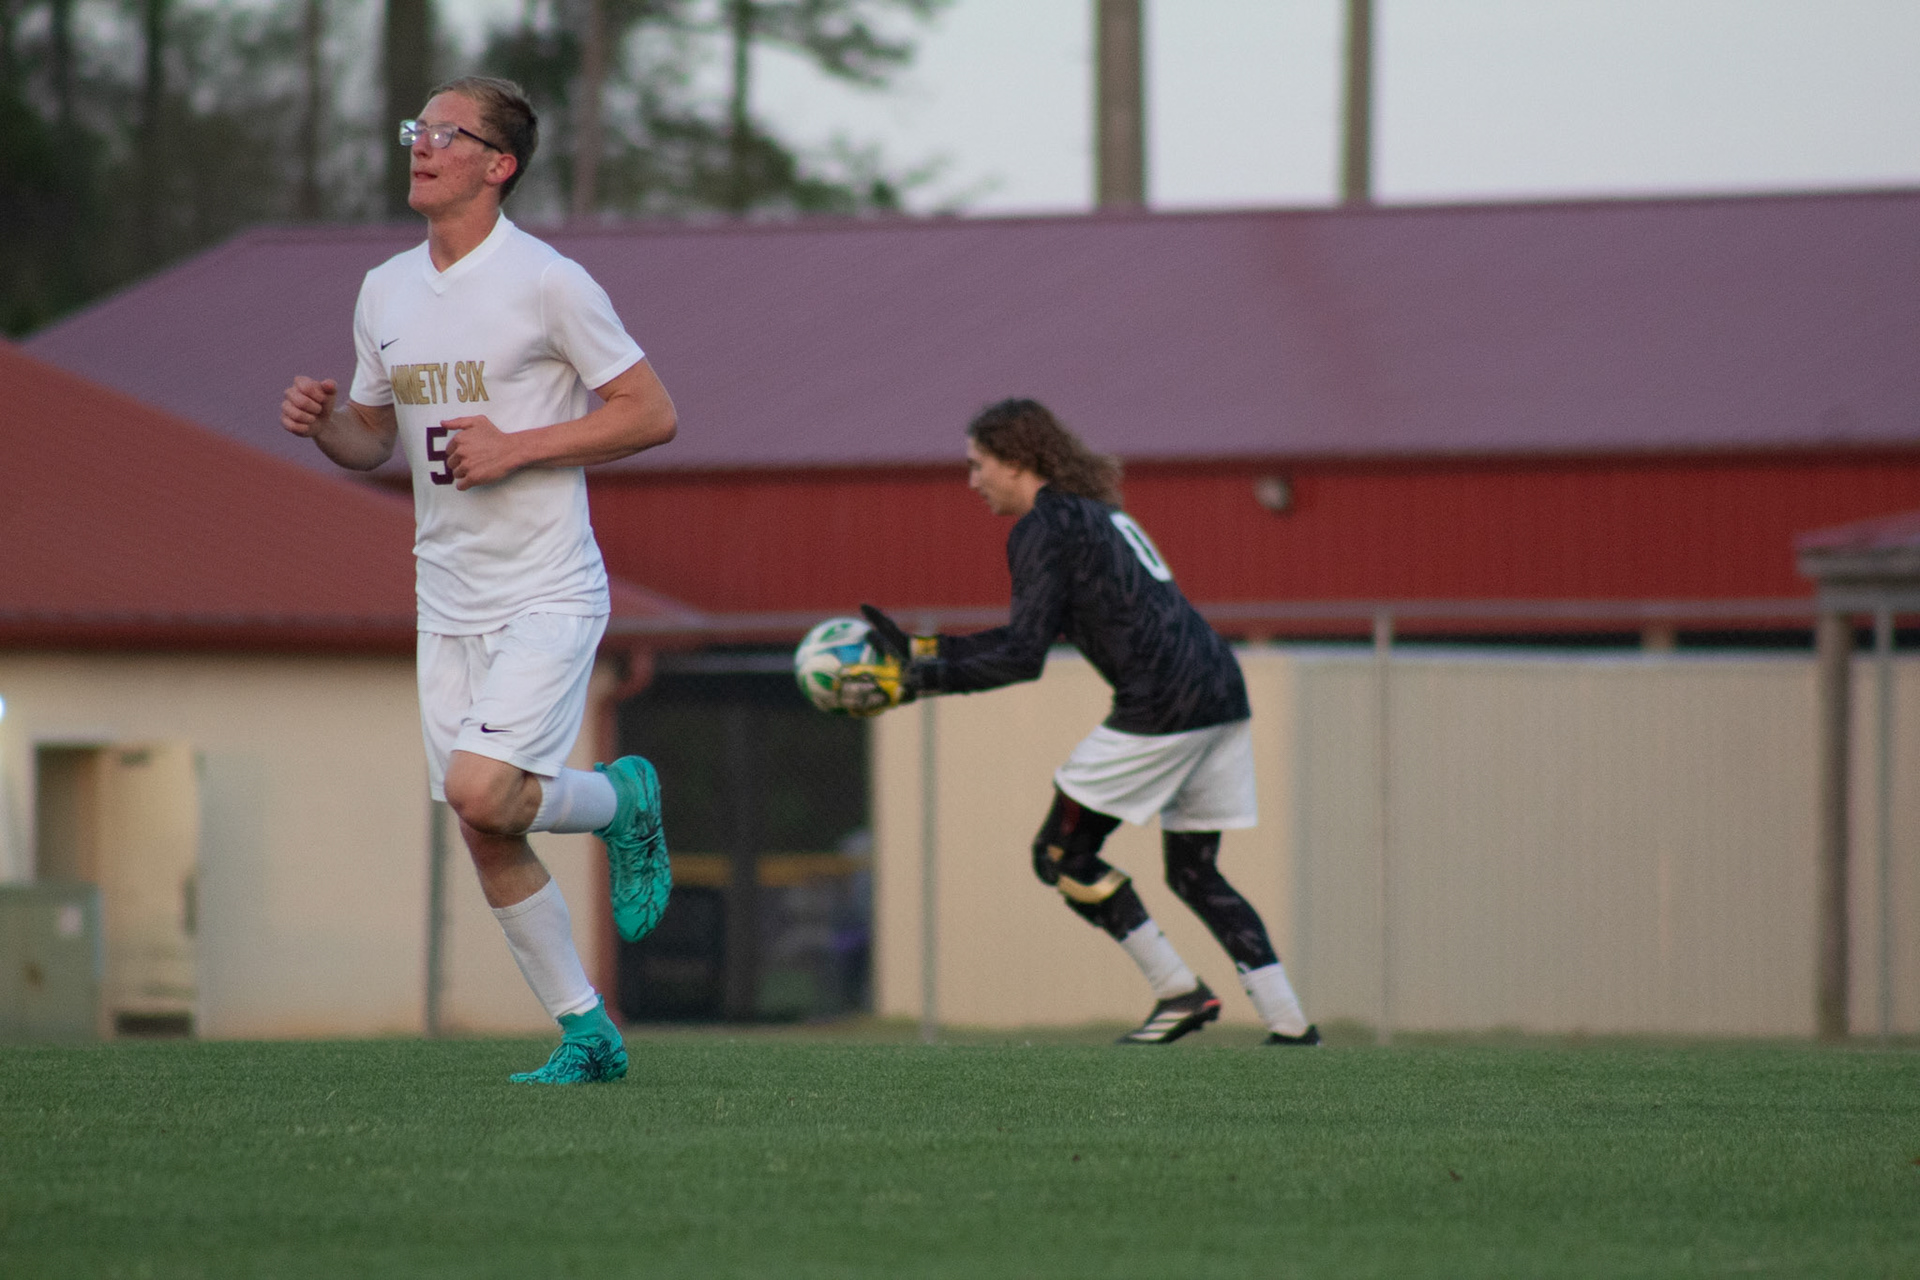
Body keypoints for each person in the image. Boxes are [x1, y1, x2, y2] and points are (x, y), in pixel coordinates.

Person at [279, 76, 674, 1084]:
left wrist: (518, 446)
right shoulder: (385, 289)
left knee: (480, 788)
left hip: (546, 587)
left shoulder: (549, 281)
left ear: (498, 165)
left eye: (445, 133)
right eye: (417, 127)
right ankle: (588, 1035)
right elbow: (373, 438)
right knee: (484, 822)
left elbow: (650, 412)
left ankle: (619, 799)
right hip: (445, 598)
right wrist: (327, 423)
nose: (420, 144)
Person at [858, 398, 1318, 1046]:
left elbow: (1023, 656)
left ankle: (1179, 992)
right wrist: (923, 653)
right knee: (1194, 873)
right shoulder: (1097, 515)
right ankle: (1292, 1027)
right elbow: (1026, 638)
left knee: (1061, 854)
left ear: (1016, 460)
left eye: (978, 464)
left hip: (1163, 705)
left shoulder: (1042, 527)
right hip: (1219, 691)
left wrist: (919, 679)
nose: (972, 481)